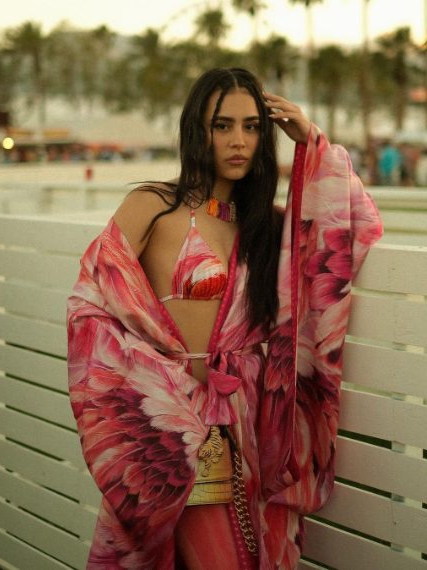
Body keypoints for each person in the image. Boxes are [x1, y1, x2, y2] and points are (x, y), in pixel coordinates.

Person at [67, 68, 383, 570]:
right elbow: (90, 302)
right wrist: (164, 397)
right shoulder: (153, 206)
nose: (239, 141)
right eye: (222, 125)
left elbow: (354, 227)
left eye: (252, 126)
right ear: (197, 129)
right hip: (170, 429)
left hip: (249, 426)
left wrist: (311, 140)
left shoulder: (269, 227)